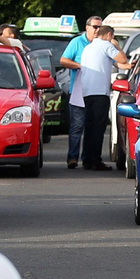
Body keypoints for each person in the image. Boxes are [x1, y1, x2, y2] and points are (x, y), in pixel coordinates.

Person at [73, 24, 129, 171]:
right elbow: (122, 59)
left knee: (90, 127)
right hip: (100, 92)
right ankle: (96, 161)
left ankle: (87, 159)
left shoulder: (89, 47)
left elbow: (116, 63)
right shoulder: (106, 45)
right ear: (109, 35)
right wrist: (116, 46)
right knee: (98, 128)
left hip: (87, 91)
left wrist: (128, 66)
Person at [59, 15, 103, 168]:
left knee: (92, 126)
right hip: (78, 91)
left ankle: (87, 158)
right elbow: (64, 60)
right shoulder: (77, 42)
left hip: (96, 91)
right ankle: (72, 157)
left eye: (100, 27)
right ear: (87, 27)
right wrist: (80, 66)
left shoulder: (102, 44)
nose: (97, 30)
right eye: (95, 27)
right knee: (77, 125)